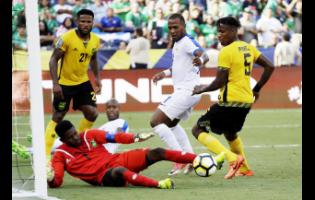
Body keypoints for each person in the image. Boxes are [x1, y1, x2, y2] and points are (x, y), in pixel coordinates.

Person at [191, 16, 274, 179]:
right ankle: (245, 169)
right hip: (245, 103)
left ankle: (233, 159)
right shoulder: (248, 47)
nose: (219, 35)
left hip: (229, 102)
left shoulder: (226, 51)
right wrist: (257, 89)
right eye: (218, 32)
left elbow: (219, 81)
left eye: (222, 31)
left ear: (234, 31)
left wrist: (202, 89)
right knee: (230, 133)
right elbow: (270, 66)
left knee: (197, 129)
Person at [46, 120, 225, 189]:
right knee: (119, 171)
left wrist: (136, 137)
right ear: (63, 139)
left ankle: (201, 160)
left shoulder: (89, 135)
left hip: (115, 160)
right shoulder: (60, 154)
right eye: (70, 137)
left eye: (75, 133)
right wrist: (50, 179)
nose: (76, 138)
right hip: (102, 176)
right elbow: (58, 181)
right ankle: (158, 185)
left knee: (157, 152)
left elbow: (114, 137)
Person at [151, 13, 209, 176]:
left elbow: (204, 55)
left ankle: (179, 157)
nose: (172, 30)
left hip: (187, 91)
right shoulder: (177, 43)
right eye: (170, 28)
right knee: (171, 124)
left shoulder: (186, 42)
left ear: (184, 26)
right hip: (187, 91)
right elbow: (178, 65)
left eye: (176, 27)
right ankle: (191, 159)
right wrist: (164, 73)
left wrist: (202, 60)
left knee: (155, 121)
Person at [45, 9, 102, 158]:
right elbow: (53, 60)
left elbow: (94, 59)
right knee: (58, 116)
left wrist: (96, 78)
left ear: (92, 23)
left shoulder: (95, 39)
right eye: (82, 21)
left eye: (88, 21)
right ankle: (44, 155)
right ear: (77, 22)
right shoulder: (66, 38)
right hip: (64, 84)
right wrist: (55, 84)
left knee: (92, 113)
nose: (85, 24)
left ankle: (79, 144)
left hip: (83, 83)